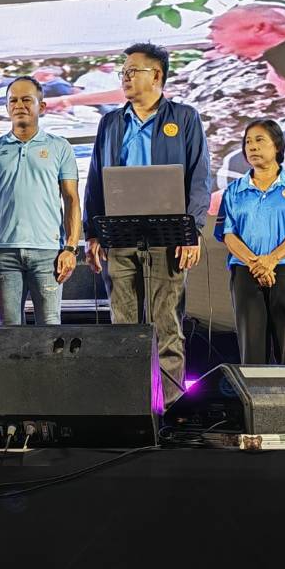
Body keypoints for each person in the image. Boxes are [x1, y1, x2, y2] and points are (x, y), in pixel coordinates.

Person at [82, 42, 209, 402]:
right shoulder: (111, 122)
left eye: (132, 71)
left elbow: (199, 176)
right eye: (122, 72)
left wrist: (192, 231)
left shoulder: (183, 118)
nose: (124, 78)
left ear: (156, 75)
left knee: (166, 324)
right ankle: (129, 404)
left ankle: (168, 407)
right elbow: (95, 179)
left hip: (168, 237)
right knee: (123, 328)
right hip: (119, 236)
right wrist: (92, 233)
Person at [0, 77, 81, 325]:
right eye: (13, 101)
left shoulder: (60, 147)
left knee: (50, 328)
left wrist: (71, 248)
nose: (19, 105)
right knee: (10, 331)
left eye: (26, 100)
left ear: (41, 106)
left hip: (48, 253)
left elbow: (72, 199)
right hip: (4, 253)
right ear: (6, 107)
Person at [215, 119, 285, 364]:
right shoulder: (233, 190)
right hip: (246, 274)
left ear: (277, 146)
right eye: (248, 142)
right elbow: (228, 234)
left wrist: (272, 259)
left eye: (259, 140)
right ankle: (255, 393)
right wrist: (256, 264)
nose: (252, 147)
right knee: (252, 353)